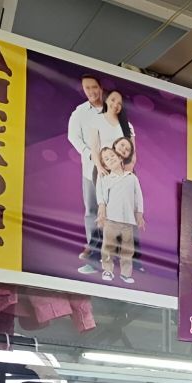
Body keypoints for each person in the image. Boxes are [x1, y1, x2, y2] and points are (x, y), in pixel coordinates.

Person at [67, 73, 106, 274]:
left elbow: (126, 134)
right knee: (92, 211)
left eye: (94, 87)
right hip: (90, 169)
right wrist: (88, 153)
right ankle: (94, 258)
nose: (91, 91)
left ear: (101, 88)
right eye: (87, 88)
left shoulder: (113, 109)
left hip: (113, 170)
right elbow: (73, 136)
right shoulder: (80, 112)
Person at [96, 146, 145, 285]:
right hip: (111, 219)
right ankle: (107, 270)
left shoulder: (131, 177)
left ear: (119, 158)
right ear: (105, 165)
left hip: (128, 221)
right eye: (106, 159)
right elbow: (102, 197)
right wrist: (102, 211)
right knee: (108, 247)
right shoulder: (106, 179)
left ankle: (125, 274)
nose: (110, 159)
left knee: (127, 250)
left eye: (112, 156)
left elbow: (138, 197)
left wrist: (139, 214)